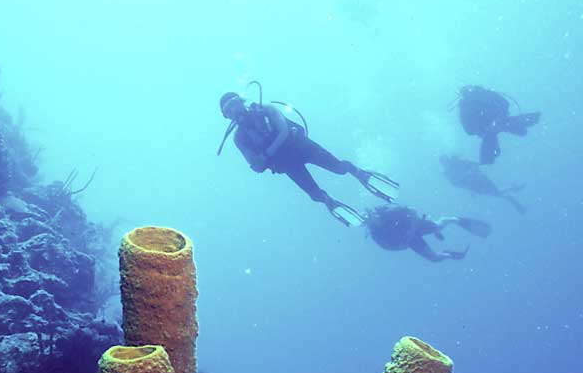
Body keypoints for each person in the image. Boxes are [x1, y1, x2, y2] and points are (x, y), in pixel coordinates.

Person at [218, 91, 399, 226]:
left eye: (234, 104)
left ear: (241, 102)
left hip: (301, 147)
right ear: (226, 116)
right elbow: (256, 166)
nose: (234, 111)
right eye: (228, 110)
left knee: (338, 168)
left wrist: (265, 155)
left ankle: (356, 171)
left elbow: (283, 131)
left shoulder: (265, 109)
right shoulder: (239, 137)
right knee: (315, 194)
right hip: (287, 162)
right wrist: (263, 159)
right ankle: (329, 201)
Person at [364, 204, 491, 262]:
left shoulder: (389, 213)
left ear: (372, 213)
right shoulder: (375, 234)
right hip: (410, 240)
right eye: (365, 221)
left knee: (439, 226)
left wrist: (412, 229)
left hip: (415, 224)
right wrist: (406, 242)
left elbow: (413, 211)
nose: (368, 220)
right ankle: (449, 254)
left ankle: (453, 219)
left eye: (368, 216)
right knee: (434, 258)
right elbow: (388, 247)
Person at [456, 85, 540, 164]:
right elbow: (505, 103)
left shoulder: (467, 104)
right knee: (519, 128)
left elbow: (469, 130)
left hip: (493, 125)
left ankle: (488, 160)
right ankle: (529, 122)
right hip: (493, 125)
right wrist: (493, 124)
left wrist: (493, 123)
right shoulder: (477, 98)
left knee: (518, 129)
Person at [440, 153, 526, 213]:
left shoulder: (456, 163)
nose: (446, 163)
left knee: (497, 193)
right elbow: (457, 184)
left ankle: (514, 195)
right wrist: (469, 188)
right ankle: (514, 191)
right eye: (444, 162)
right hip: (475, 184)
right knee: (497, 193)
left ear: (448, 159)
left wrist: (473, 173)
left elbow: (475, 164)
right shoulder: (449, 172)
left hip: (478, 180)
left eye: (446, 160)